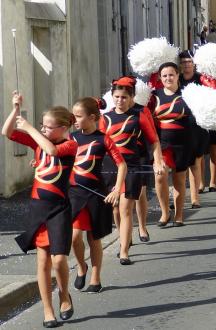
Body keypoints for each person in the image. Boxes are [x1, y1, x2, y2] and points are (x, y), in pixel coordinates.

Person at [2, 92, 77, 327]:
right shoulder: (39, 141)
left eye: (48, 127)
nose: (43, 130)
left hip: (59, 209)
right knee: (42, 261)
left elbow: (53, 151)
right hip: (38, 208)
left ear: (63, 128)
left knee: (58, 261)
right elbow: (7, 132)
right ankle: (48, 310)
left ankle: (64, 294)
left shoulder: (70, 144)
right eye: (42, 126)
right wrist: (16, 110)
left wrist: (31, 128)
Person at [100, 76, 164, 265]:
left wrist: (158, 161)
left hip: (132, 166)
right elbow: (98, 144)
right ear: (112, 96)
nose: (120, 100)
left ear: (132, 97)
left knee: (125, 208)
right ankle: (124, 237)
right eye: (117, 97)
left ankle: (124, 250)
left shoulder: (139, 116)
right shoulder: (105, 118)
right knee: (115, 209)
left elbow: (154, 140)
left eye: (124, 97)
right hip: (110, 167)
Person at [69, 97, 127, 293]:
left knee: (94, 238)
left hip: (96, 194)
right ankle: (81, 266)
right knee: (75, 237)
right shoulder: (71, 138)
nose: (74, 120)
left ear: (92, 117)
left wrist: (117, 189)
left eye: (78, 116)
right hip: (75, 193)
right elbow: (56, 157)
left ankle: (95, 276)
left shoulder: (104, 139)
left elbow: (121, 164)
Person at [148, 63, 196, 226]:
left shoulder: (188, 94)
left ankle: (179, 214)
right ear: (160, 78)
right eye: (164, 75)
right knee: (160, 176)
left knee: (179, 180)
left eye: (171, 75)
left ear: (177, 75)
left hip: (183, 143)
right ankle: (164, 212)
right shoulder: (153, 96)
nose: (168, 78)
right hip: (161, 144)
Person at [179, 50, 210, 203]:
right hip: (182, 124)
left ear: (193, 64)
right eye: (184, 62)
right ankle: (185, 193)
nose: (186, 65)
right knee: (184, 161)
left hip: (198, 123)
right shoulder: (176, 80)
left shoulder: (201, 79)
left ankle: (195, 196)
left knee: (197, 159)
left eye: (189, 62)